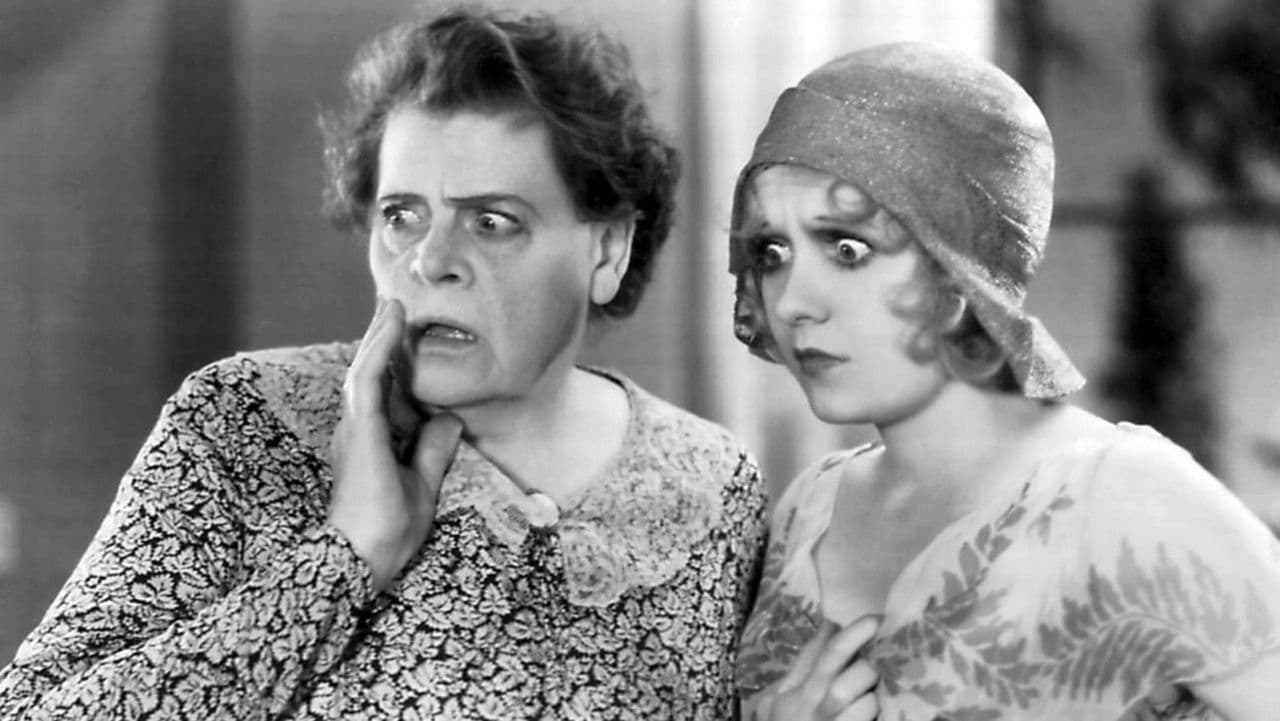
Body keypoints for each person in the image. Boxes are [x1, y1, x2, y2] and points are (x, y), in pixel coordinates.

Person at [0, 7, 768, 718]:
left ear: (607, 250)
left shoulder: (715, 487)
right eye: (402, 215)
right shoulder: (240, 428)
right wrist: (347, 556)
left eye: (492, 221)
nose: (430, 260)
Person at [729, 42, 1280, 721]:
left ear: (960, 267)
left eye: (848, 249)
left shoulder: (1123, 498)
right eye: (772, 252)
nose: (791, 302)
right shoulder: (809, 507)